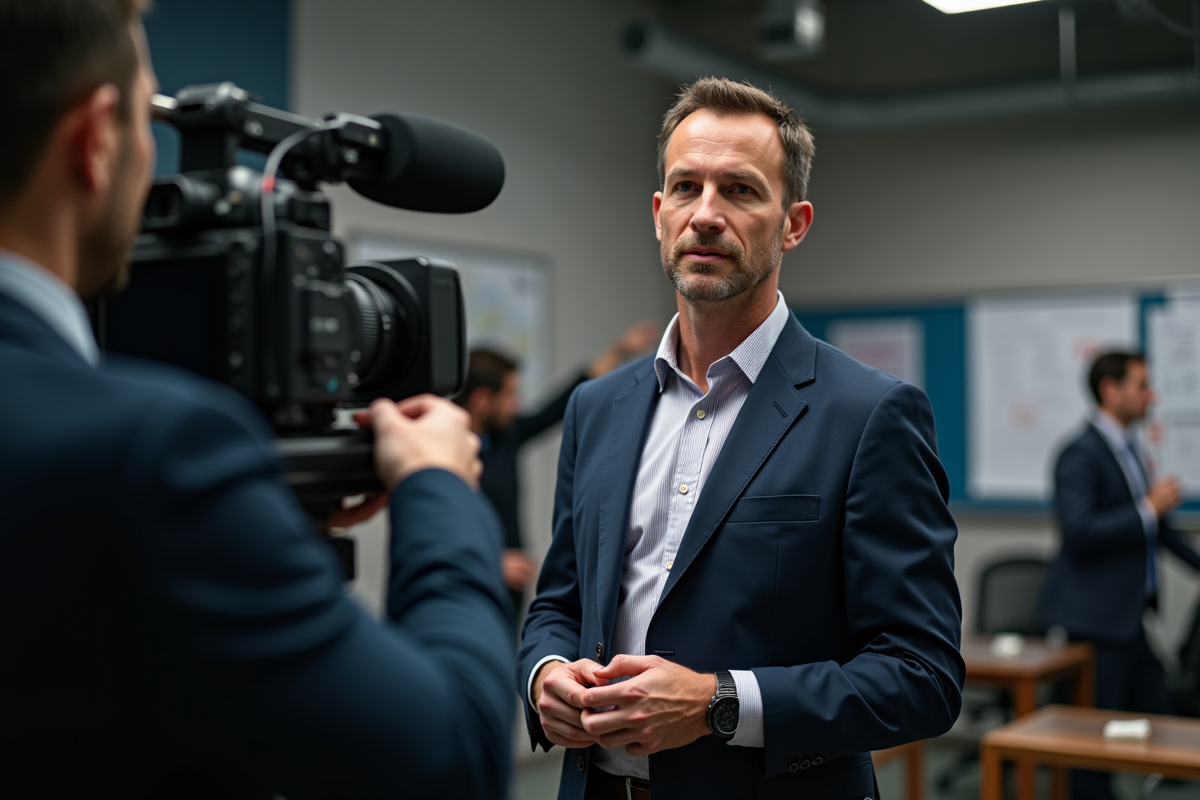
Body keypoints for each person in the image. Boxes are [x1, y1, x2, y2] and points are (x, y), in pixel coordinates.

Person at [0, 2, 512, 797]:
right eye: (145, 119)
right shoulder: (155, 458)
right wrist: (438, 489)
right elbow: (451, 758)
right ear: (96, 140)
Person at [517, 77, 964, 800]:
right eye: (686, 187)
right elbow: (559, 604)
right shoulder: (596, 407)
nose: (707, 215)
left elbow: (922, 677)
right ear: (658, 214)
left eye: (741, 191)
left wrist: (719, 705)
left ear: (794, 224)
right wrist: (543, 675)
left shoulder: (871, 414)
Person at [1038, 350, 1200, 800]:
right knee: (1092, 735)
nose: (1152, 396)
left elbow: (1157, 529)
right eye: (1142, 385)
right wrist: (1147, 507)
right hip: (1093, 620)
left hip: (1128, 617)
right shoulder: (1079, 453)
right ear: (1111, 390)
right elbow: (1081, 532)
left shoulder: (1130, 450)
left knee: (1160, 714)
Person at [457, 325, 658, 623]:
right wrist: (489, 563)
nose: (516, 405)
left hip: (508, 595)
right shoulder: (442, 451)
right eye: (510, 395)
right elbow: (438, 530)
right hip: (467, 593)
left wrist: (618, 351)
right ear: (482, 401)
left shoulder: (506, 436)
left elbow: (560, 404)